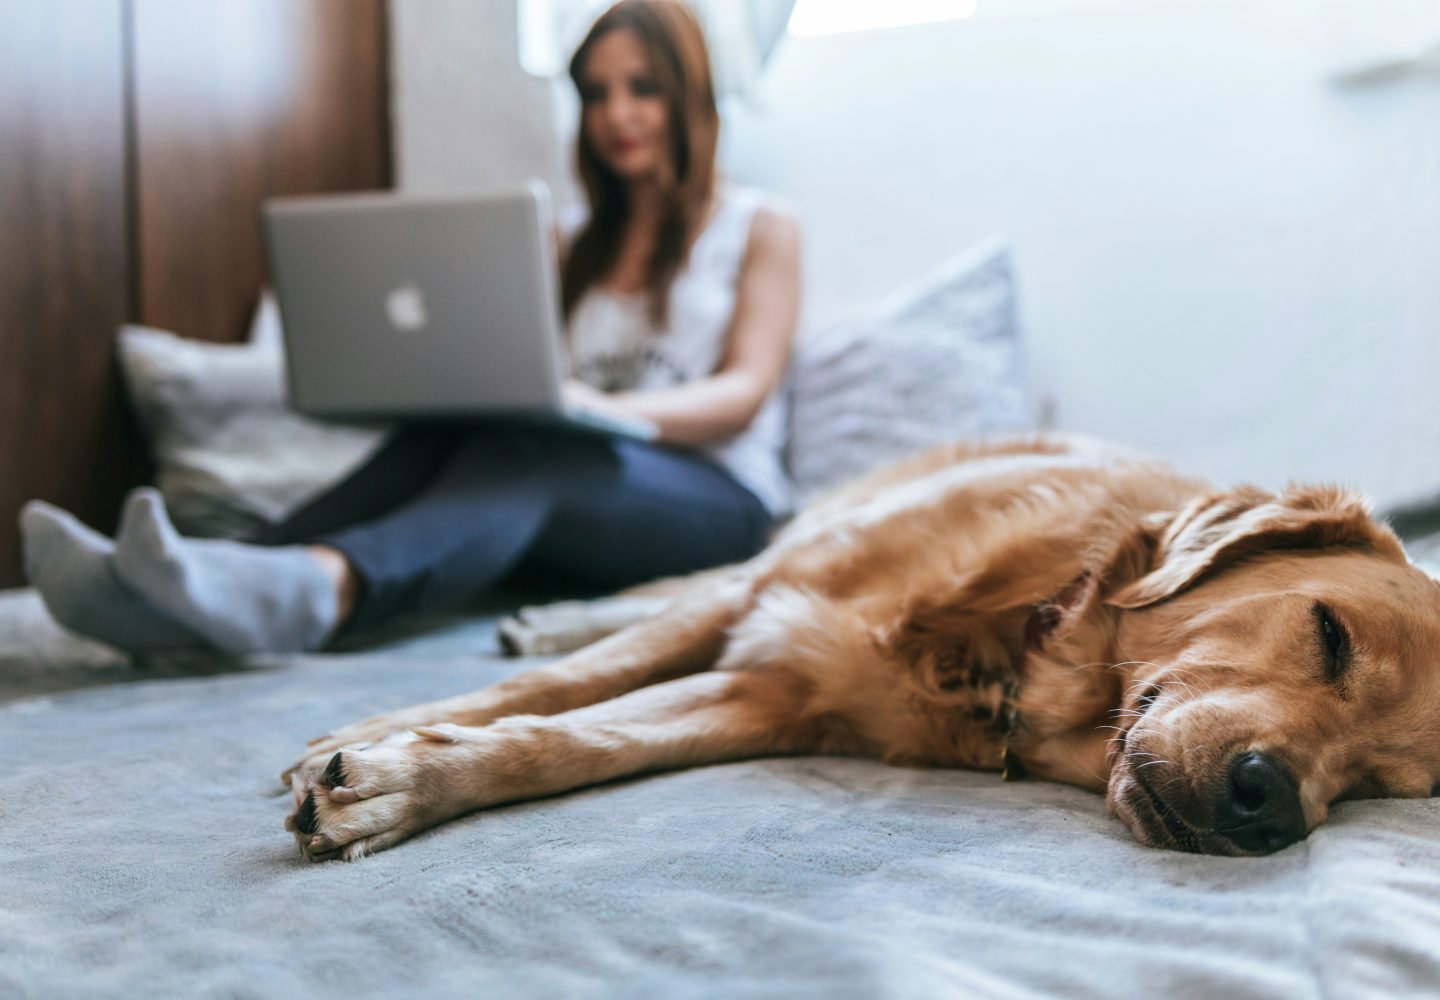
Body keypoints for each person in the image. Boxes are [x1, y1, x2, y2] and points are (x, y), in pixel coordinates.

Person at [19, 0, 801, 655]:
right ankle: (197, 581)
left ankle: (321, 588)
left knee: (534, 451)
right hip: (576, 476)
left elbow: (743, 391)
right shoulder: (565, 240)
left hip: (716, 501)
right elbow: (524, 368)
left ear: (688, 95)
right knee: (462, 437)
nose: (616, 115)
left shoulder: (758, 224)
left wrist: (602, 413)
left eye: (642, 89)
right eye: (596, 94)